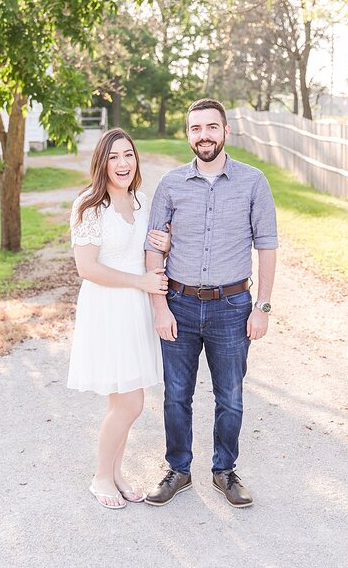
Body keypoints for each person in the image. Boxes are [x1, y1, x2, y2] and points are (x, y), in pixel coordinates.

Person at [143, 98, 278, 508]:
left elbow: (267, 246)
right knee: (175, 395)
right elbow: (153, 248)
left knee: (230, 396)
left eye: (210, 127)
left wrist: (263, 307)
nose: (203, 135)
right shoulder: (170, 184)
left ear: (225, 132)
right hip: (179, 304)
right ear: (188, 134)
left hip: (233, 306)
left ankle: (225, 471)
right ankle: (178, 470)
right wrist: (160, 307)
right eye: (195, 128)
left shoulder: (254, 182)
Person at [67, 128, 171, 509]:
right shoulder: (89, 206)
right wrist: (140, 282)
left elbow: (147, 250)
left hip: (135, 311)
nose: (123, 163)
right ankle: (99, 477)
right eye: (114, 157)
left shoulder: (141, 202)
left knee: (122, 401)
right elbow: (87, 268)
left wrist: (166, 246)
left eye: (128, 155)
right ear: (102, 163)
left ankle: (116, 473)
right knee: (130, 404)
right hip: (108, 309)